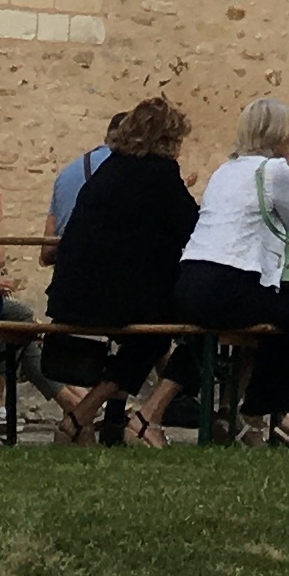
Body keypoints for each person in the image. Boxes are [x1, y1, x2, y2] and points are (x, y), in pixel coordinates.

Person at [47, 94, 200, 441]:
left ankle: (93, 419)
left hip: (72, 292)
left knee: (147, 333)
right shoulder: (160, 174)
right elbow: (192, 227)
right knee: (186, 327)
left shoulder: (109, 170)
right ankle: (129, 416)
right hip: (113, 298)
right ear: (167, 139)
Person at [177, 95, 289, 437]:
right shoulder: (276, 170)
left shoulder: (226, 170)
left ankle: (253, 410)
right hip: (229, 285)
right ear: (277, 136)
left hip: (191, 281)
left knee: (283, 310)